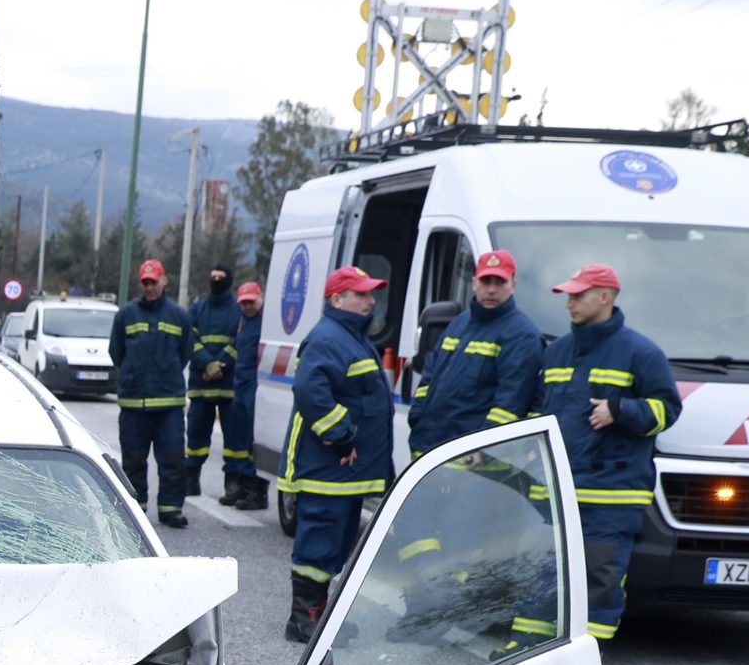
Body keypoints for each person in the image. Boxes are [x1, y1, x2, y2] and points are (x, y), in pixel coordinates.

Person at [493, 263, 680, 642]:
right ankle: (525, 648)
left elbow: (668, 410)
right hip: (557, 489)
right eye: (568, 296)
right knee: (541, 569)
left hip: (610, 495)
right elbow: (539, 410)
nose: (570, 304)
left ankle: (584, 656)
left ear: (605, 297)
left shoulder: (641, 353)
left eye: (578, 295)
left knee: (598, 579)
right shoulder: (557, 352)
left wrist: (622, 410)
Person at [277, 265, 394, 641]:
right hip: (328, 466)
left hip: (347, 471)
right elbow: (312, 395)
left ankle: (320, 613)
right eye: (361, 294)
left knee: (337, 541)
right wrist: (343, 437)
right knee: (320, 539)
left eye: (370, 293)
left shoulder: (351, 336)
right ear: (337, 298)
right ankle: (303, 616)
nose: (370, 300)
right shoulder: (328, 338)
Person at [410, 249, 543, 460]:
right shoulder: (460, 323)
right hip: (430, 450)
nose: (491, 289)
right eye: (485, 281)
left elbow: (510, 404)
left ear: (513, 285)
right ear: (474, 283)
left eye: (500, 282)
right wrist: (416, 416)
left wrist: (484, 451)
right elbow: (429, 377)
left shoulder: (522, 335)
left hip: (475, 466)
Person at [107, 259, 193, 527]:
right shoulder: (125, 315)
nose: (149, 287)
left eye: (153, 282)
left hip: (168, 404)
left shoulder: (179, 316)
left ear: (164, 281)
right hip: (134, 403)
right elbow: (116, 353)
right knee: (133, 459)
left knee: (173, 458)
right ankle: (136, 510)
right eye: (145, 282)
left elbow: (185, 352)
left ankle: (170, 509)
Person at [182, 265, 243, 499]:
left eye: (221, 277)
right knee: (196, 434)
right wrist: (207, 363)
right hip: (201, 382)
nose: (216, 280)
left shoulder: (237, 309)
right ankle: (192, 478)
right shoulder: (198, 308)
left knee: (233, 437)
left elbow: (240, 340)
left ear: (229, 280)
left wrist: (220, 365)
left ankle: (232, 482)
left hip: (228, 384)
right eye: (213, 276)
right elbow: (191, 339)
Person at [220, 279, 268, 509]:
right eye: (244, 303)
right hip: (240, 383)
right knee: (239, 438)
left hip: (255, 385)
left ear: (261, 298)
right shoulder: (242, 321)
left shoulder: (266, 322)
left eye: (251, 302)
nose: (247, 307)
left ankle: (257, 492)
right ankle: (241, 484)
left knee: (253, 438)